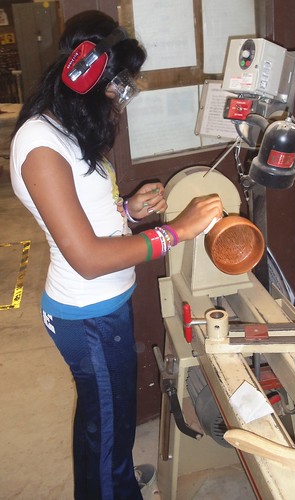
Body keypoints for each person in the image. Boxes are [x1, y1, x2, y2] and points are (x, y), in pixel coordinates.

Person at [10, 10, 223, 500]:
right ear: (83, 77)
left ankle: (113, 483)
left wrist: (128, 207)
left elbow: (84, 215)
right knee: (112, 430)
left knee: (101, 423)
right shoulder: (40, 143)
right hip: (88, 315)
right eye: (115, 87)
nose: (119, 99)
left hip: (104, 308)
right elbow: (85, 256)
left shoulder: (67, 130)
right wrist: (175, 232)